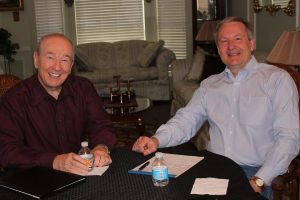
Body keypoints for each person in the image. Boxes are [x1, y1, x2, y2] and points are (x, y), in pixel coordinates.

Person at [132, 16, 300, 199]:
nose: (231, 46)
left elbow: (289, 138)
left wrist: (260, 180)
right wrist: (157, 140)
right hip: (213, 166)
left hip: (253, 171)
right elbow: (186, 120)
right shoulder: (209, 85)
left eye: (237, 38)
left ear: (251, 44)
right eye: (224, 41)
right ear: (219, 48)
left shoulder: (276, 80)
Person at [0, 33, 117, 175]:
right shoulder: (15, 99)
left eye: (65, 59)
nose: (57, 67)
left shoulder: (83, 88)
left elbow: (102, 124)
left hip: (77, 173)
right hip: (33, 177)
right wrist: (54, 161)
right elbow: (6, 150)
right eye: (50, 57)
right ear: (36, 60)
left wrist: (100, 147)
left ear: (72, 65)